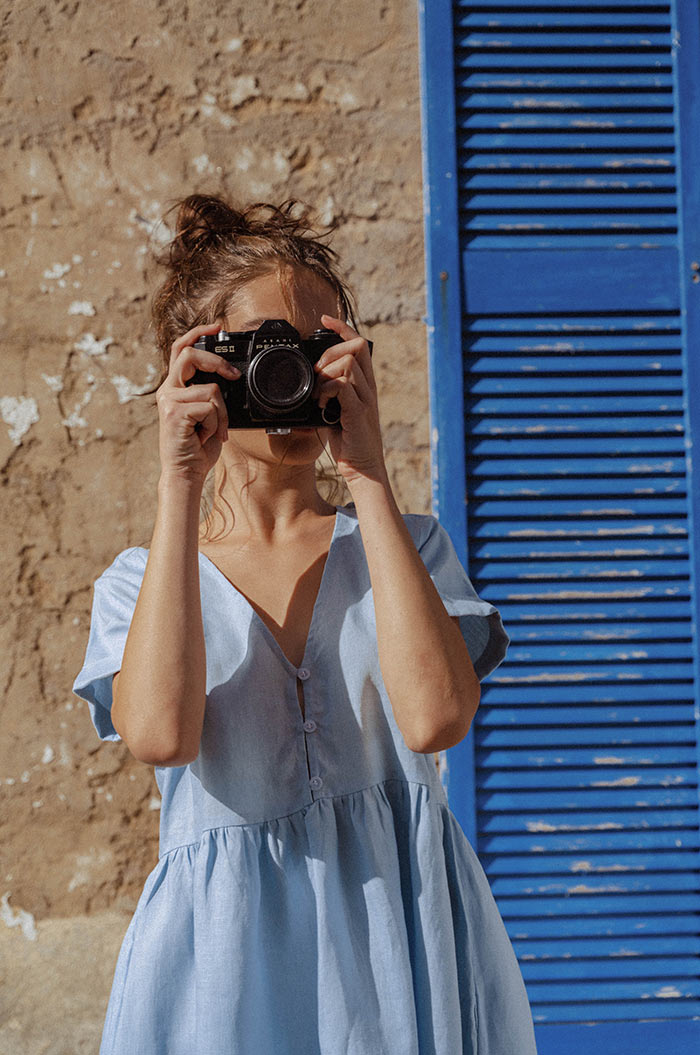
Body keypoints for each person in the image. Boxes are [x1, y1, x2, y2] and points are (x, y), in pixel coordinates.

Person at [72, 194, 537, 1055]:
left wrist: (368, 473)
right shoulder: (141, 582)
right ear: (198, 369)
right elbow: (163, 734)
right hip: (229, 970)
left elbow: (437, 719)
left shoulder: (407, 548)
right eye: (258, 353)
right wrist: (177, 482)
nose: (288, 375)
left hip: (406, 939)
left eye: (313, 347)